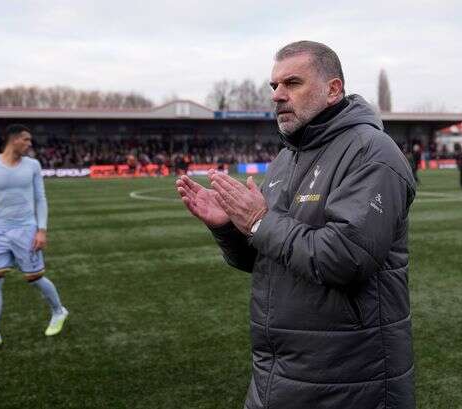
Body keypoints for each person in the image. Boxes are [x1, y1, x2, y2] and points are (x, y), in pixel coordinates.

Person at [177, 41, 416, 408]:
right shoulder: (286, 159)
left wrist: (258, 221)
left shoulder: (372, 152)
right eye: (274, 86)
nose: (277, 95)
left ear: (333, 89)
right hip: (277, 375)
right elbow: (266, 256)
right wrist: (230, 226)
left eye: (292, 83)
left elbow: (346, 257)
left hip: (348, 382)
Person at [0, 124, 68, 352]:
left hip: (26, 229)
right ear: (14, 140)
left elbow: (40, 198)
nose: (30, 144)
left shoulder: (33, 165)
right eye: (26, 139)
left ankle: (59, 310)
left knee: (34, 278)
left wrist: (41, 230)